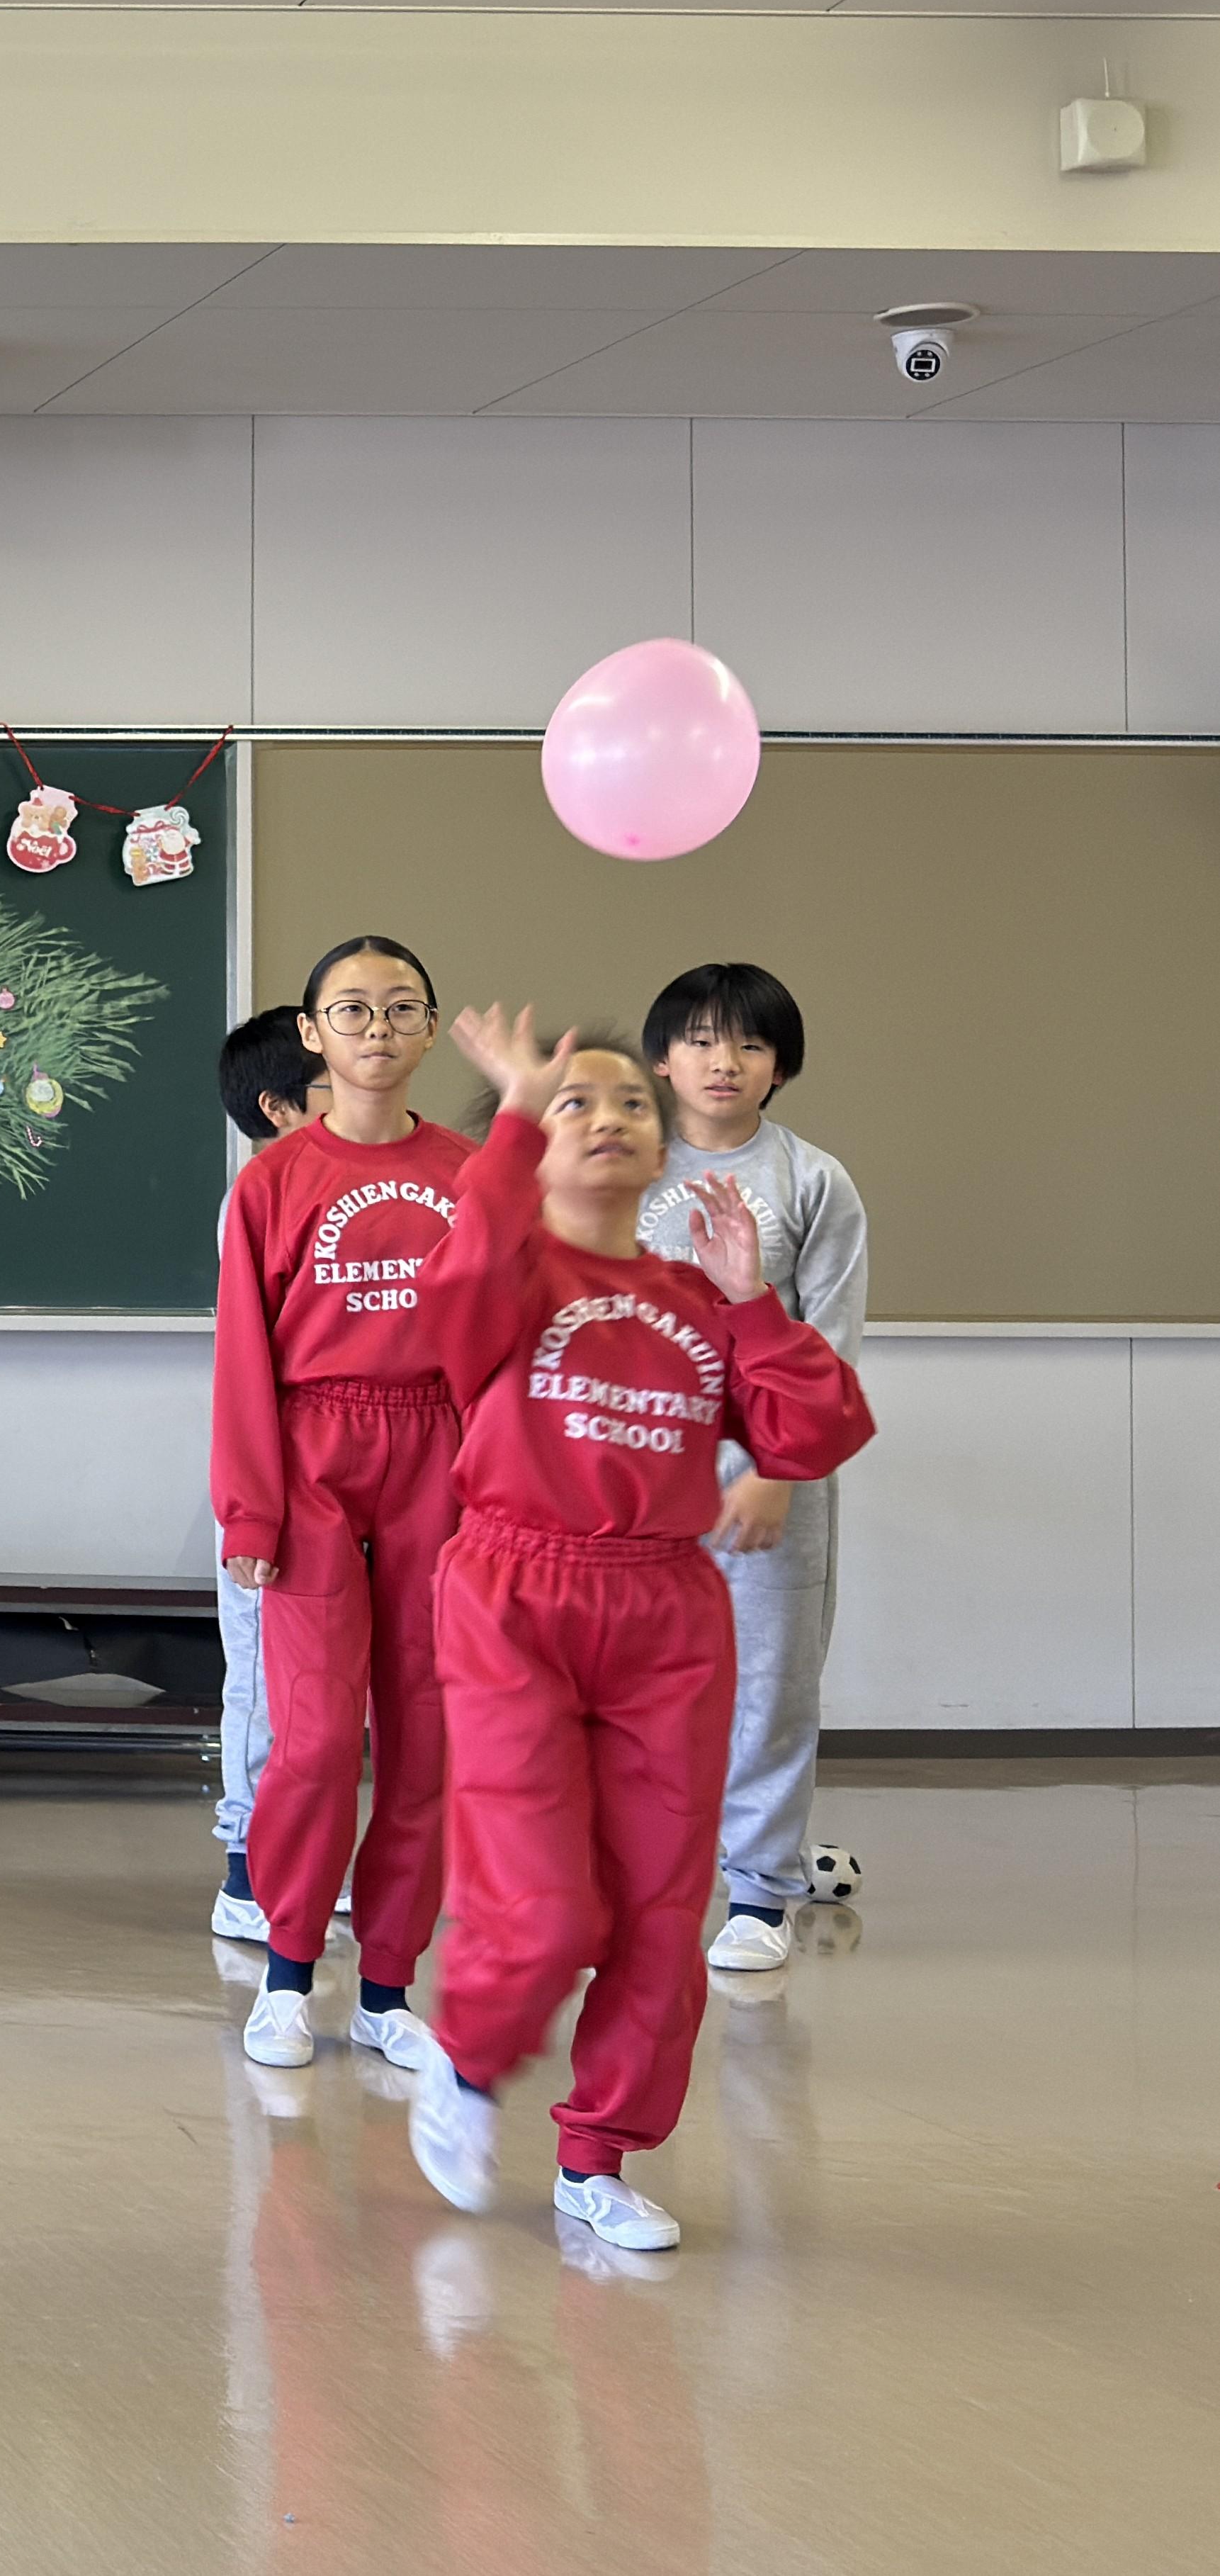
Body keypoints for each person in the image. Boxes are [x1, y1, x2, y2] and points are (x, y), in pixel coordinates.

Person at [410, 1007, 874, 2251]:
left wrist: (754, 1301)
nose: (609, 1117)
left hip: (666, 1606)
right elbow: (456, 1286)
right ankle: (468, 2061)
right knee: (543, 1905)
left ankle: (597, 2158)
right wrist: (514, 1113)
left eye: (630, 1103)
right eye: (575, 1101)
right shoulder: (507, 1277)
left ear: (664, 1150)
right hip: (514, 1595)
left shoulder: (697, 1298)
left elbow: (814, 1435)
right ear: (527, 1143)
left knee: (660, 1908)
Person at [210, 938, 472, 2078]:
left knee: (427, 1735)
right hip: (313, 1449)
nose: (376, 1028)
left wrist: (503, 1502)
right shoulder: (271, 1182)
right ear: (313, 1034)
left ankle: (385, 1990)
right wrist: (249, 1514)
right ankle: (284, 1975)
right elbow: (242, 1358)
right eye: (351, 1010)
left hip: (439, 1458)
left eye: (400, 1008)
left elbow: (503, 1344)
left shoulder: (469, 1173)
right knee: (314, 1740)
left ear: (428, 1029)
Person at [635, 964, 868, 1978]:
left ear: (781, 1065)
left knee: (769, 1682)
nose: (722, 1061)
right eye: (698, 1039)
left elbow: (830, 1353)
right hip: (636, 1470)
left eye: (749, 1043)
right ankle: (646, 1877)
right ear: (660, 1058)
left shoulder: (814, 1181)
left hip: (768, 1479)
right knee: (637, 1682)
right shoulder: (622, 1163)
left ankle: (760, 1889)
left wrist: (778, 1463)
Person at [207, 1008, 329, 1946]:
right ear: (279, 1107)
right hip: (273, 1472)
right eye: (327, 1083)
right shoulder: (260, 1195)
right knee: (260, 1677)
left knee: (323, 1687)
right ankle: (245, 1873)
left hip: (347, 1472)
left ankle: (309, 1864)